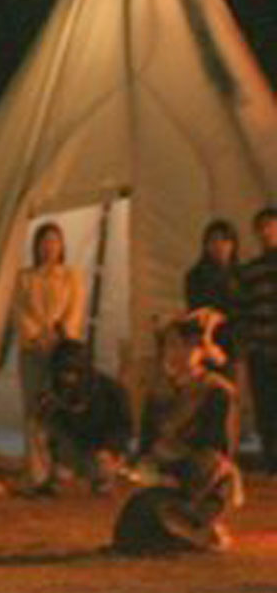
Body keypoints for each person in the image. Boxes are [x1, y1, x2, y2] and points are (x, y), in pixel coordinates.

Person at [114, 310, 240, 553]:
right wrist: (138, 465)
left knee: (197, 481)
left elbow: (218, 447)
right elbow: (146, 444)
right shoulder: (158, 391)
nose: (176, 354)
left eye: (185, 346)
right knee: (132, 533)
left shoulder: (215, 390)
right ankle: (188, 532)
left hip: (200, 477)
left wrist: (173, 461)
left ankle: (198, 528)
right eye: (170, 346)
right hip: (163, 474)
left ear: (200, 351)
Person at [12, 223, 87, 487]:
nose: (49, 247)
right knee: (34, 408)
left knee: (60, 408)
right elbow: (20, 311)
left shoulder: (71, 277)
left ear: (62, 246)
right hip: (33, 351)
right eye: (44, 241)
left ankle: (61, 466)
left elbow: (75, 309)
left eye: (54, 241)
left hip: (62, 353)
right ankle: (37, 471)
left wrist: (60, 335)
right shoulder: (24, 277)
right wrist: (37, 336)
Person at [37, 339, 131, 494]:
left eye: (72, 372)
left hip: (102, 449)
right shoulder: (55, 390)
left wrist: (110, 449)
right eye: (64, 372)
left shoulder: (109, 390)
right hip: (76, 447)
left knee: (102, 464)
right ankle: (58, 475)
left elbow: (124, 427)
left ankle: (102, 479)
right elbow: (51, 425)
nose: (68, 378)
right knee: (41, 430)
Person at [229, 208, 277, 473]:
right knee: (266, 408)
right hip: (262, 351)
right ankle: (271, 460)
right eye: (263, 228)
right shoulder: (250, 272)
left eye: (272, 226)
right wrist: (246, 346)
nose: (268, 232)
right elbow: (240, 311)